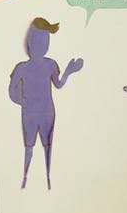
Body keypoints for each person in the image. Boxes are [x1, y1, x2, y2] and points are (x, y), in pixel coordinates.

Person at [7, 17, 82, 190]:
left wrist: (69, 71)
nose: (40, 45)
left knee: (47, 146)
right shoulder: (21, 68)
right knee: (29, 147)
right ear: (29, 41)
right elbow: (11, 90)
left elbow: (58, 84)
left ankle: (48, 177)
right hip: (30, 114)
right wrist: (21, 101)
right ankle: (25, 177)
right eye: (36, 40)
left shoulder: (51, 65)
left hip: (47, 113)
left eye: (44, 41)